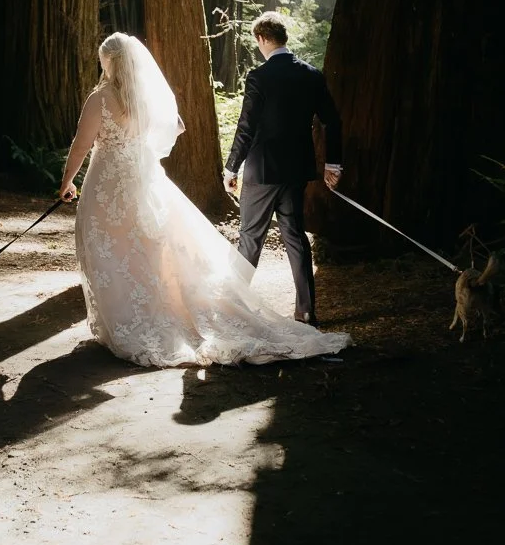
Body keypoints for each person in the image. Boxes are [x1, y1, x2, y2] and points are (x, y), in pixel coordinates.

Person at [57, 32, 350, 368]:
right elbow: (174, 125)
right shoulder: (144, 96)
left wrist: (67, 181)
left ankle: (135, 318)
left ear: (107, 61)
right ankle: (301, 309)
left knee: (112, 249)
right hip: (151, 180)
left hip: (111, 185)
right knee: (151, 248)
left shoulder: (101, 98)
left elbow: (82, 145)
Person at [223, 12, 342, 325]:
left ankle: (232, 309)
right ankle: (306, 310)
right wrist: (333, 163)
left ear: (262, 38)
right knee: (296, 238)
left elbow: (246, 127)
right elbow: (333, 120)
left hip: (261, 172)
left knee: (250, 238)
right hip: (295, 172)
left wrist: (231, 167)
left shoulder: (259, 77)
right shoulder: (311, 75)